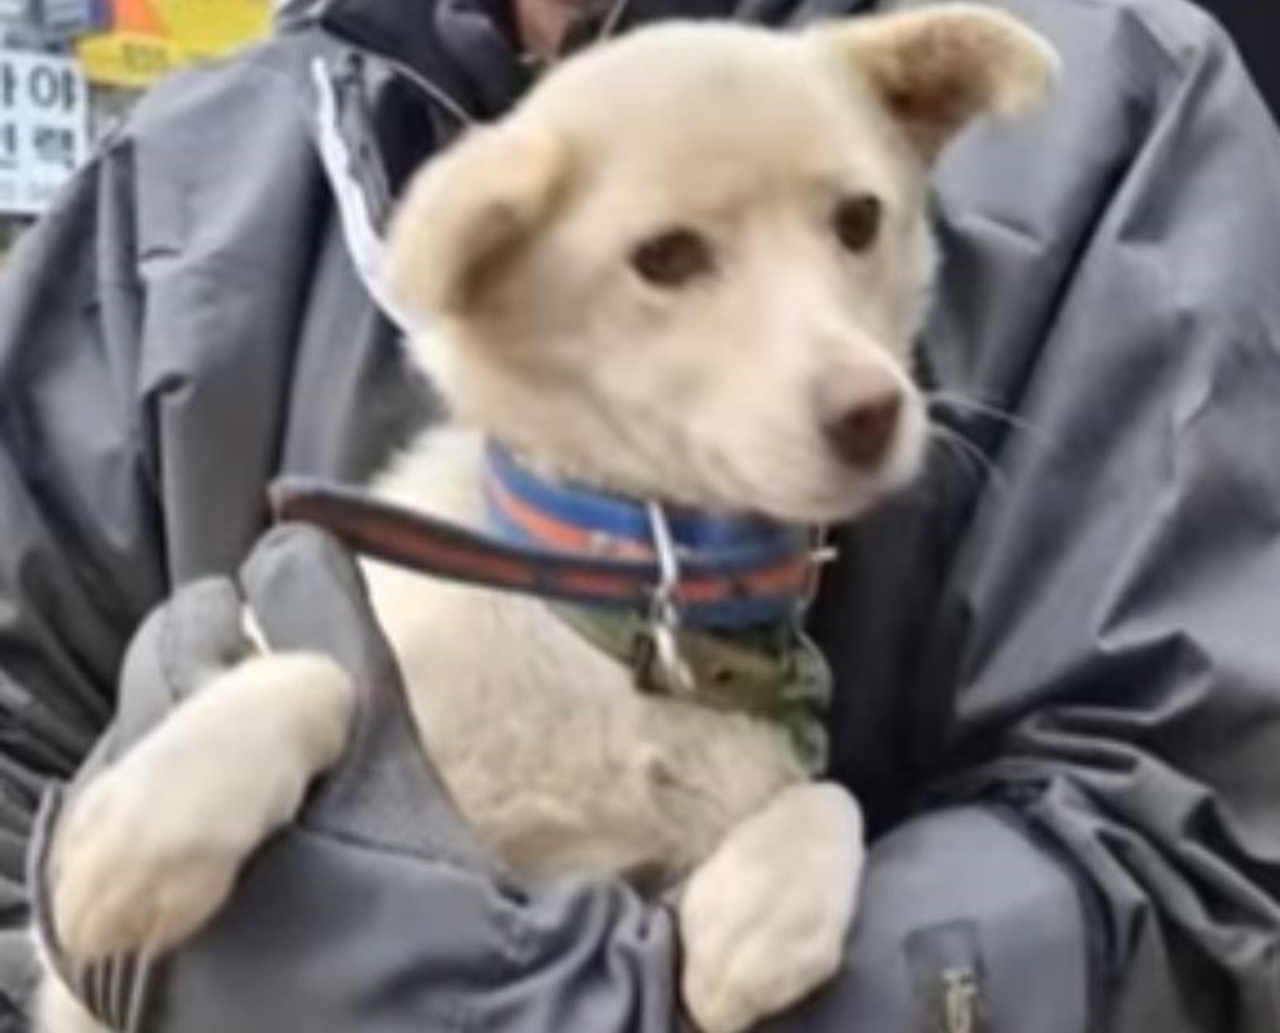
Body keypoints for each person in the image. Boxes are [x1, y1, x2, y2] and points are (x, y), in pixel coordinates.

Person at [2, 0, 1280, 1028]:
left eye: (851, 225)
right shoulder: (176, 180)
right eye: (672, 257)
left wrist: (579, 1004)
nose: (842, 366)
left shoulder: (1118, 110)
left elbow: (1196, 859)